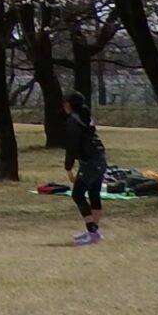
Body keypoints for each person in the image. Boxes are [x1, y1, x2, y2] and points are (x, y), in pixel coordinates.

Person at [62, 92, 107, 245]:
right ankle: (93, 232)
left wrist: (68, 168)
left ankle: (92, 231)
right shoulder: (85, 116)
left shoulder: (74, 122)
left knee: (78, 194)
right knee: (94, 194)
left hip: (91, 162)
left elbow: (72, 146)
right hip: (99, 158)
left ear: (69, 105)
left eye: (65, 102)